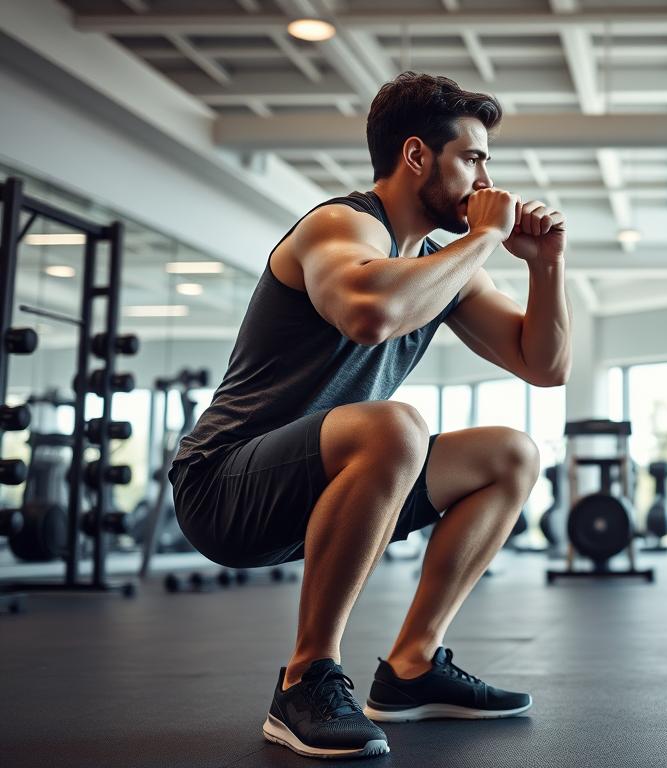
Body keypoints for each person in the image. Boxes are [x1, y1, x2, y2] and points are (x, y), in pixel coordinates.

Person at [170, 72, 571, 759]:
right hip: (224, 486)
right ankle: (305, 681)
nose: (485, 179)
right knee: (395, 423)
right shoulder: (340, 223)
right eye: (473, 158)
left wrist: (544, 266)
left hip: (326, 485)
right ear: (418, 155)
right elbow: (370, 315)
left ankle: (413, 667)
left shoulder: (449, 267)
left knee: (512, 453)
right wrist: (483, 239)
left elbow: (545, 366)